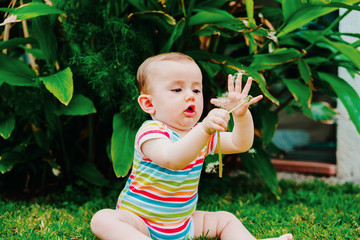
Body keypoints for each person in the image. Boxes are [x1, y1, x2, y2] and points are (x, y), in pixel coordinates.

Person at [91, 52, 293, 240]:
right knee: (103, 219)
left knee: (225, 219)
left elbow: (240, 143)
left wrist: (241, 116)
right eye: (177, 89)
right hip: (140, 222)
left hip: (183, 223)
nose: (191, 96)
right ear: (148, 104)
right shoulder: (151, 132)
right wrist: (204, 129)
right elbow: (173, 159)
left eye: (196, 90)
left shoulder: (200, 134)